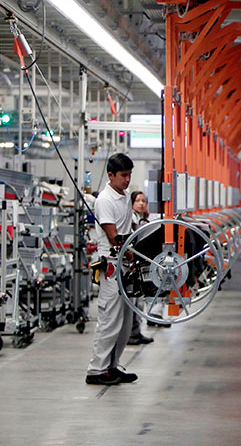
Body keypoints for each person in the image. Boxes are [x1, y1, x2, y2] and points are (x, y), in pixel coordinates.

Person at [86, 153, 138, 385]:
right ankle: (96, 370)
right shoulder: (105, 200)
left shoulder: (125, 196)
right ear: (111, 175)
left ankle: (112, 366)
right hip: (111, 265)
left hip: (125, 264)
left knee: (125, 322)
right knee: (109, 319)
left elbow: (128, 227)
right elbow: (114, 237)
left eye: (129, 175)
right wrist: (133, 252)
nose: (127, 180)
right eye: (123, 175)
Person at [127, 191, 155, 345]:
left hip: (142, 262)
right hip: (132, 263)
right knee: (133, 301)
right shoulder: (131, 219)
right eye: (138, 200)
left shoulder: (144, 220)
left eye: (144, 201)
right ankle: (131, 334)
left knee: (139, 301)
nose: (141, 203)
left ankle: (136, 332)